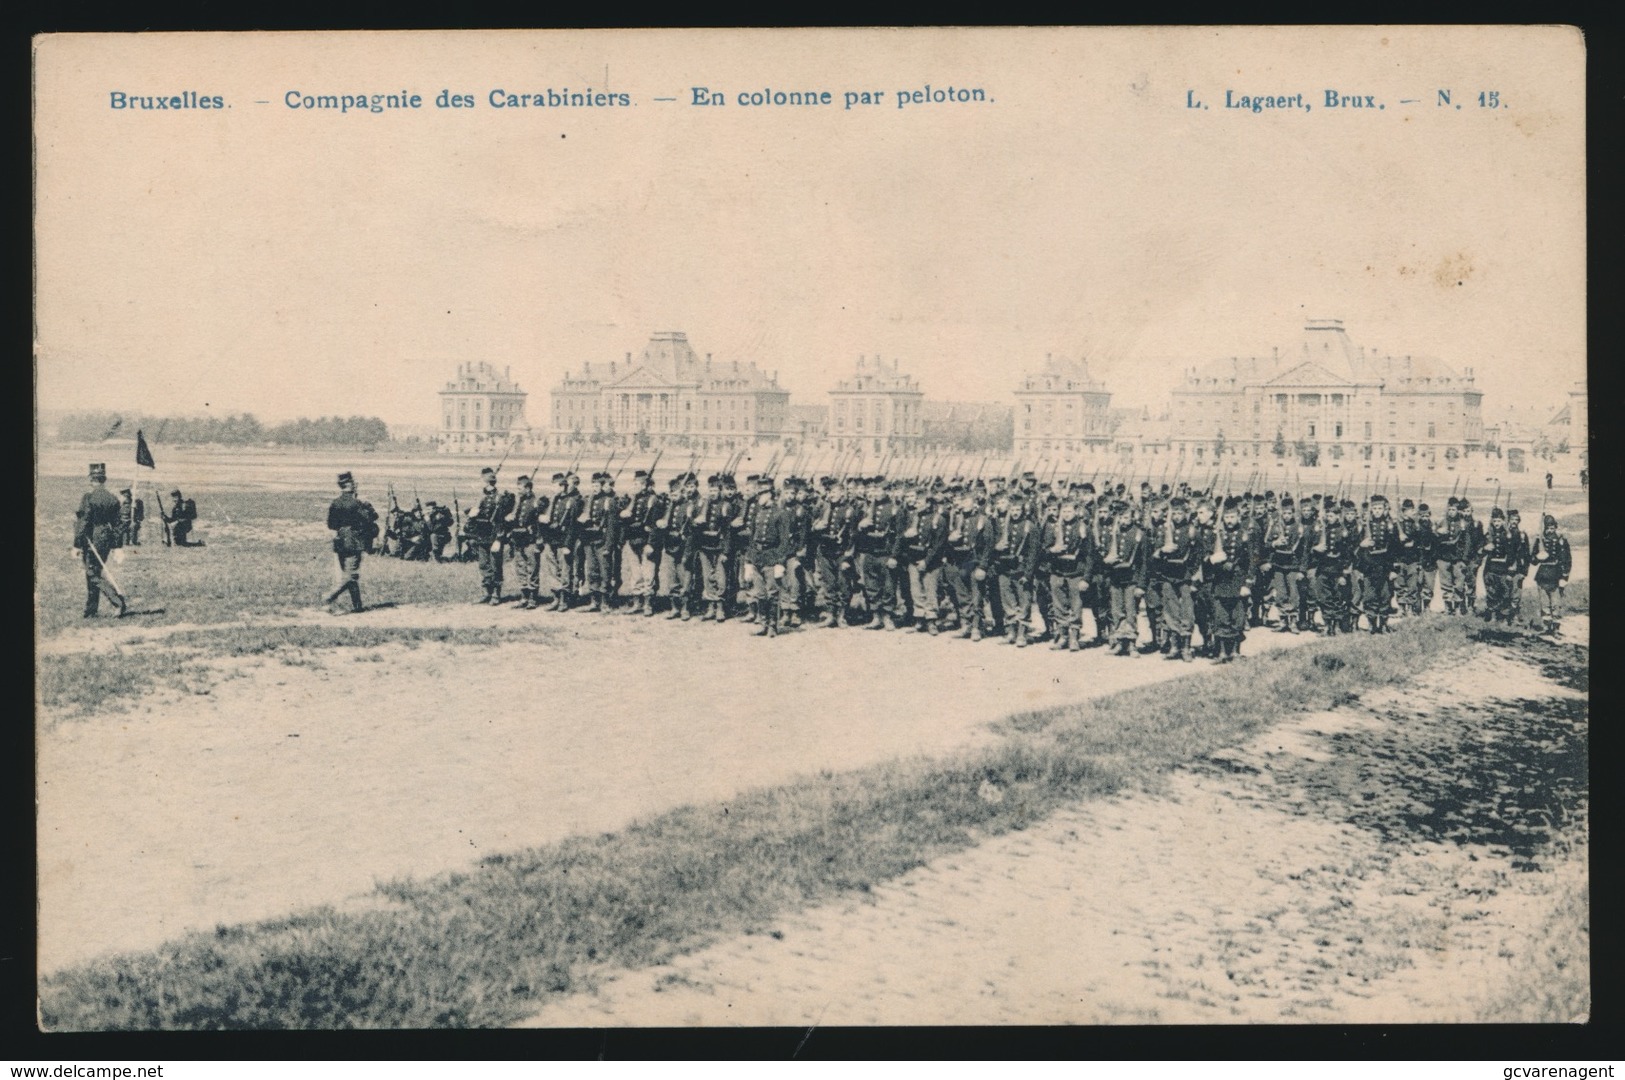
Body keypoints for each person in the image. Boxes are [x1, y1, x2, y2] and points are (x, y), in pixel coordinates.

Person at [74, 463, 127, 618]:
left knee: (92, 572)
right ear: (104, 479)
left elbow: (84, 521)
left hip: (92, 537)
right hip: (106, 538)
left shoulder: (88, 497)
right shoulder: (113, 498)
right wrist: (117, 546)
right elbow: (118, 524)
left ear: (92, 479)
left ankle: (117, 601)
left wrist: (77, 544)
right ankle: (91, 610)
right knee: (94, 571)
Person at [323, 471, 377, 615]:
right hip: (354, 540)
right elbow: (369, 519)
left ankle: (358, 606)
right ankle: (329, 597)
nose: (354, 484)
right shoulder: (356, 503)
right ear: (349, 484)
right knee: (351, 575)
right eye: (352, 482)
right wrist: (366, 506)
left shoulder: (335, 503)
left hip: (340, 541)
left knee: (347, 574)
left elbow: (331, 524)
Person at [466, 467, 514, 604]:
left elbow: (502, 522)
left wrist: (499, 539)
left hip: (494, 536)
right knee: (483, 565)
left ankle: (496, 594)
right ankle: (486, 592)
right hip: (482, 535)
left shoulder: (501, 498)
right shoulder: (481, 497)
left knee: (495, 565)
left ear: (487, 482)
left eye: (483, 481)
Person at [1530, 513, 1572, 635]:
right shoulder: (1540, 540)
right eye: (1548, 528)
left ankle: (1556, 629)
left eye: (1552, 528)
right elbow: (1532, 560)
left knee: (1556, 604)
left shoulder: (1561, 541)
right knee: (1544, 604)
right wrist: (1538, 557)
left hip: (1555, 574)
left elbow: (1566, 560)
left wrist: (1564, 576)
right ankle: (1547, 627)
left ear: (1555, 527)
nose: (1550, 530)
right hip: (1542, 574)